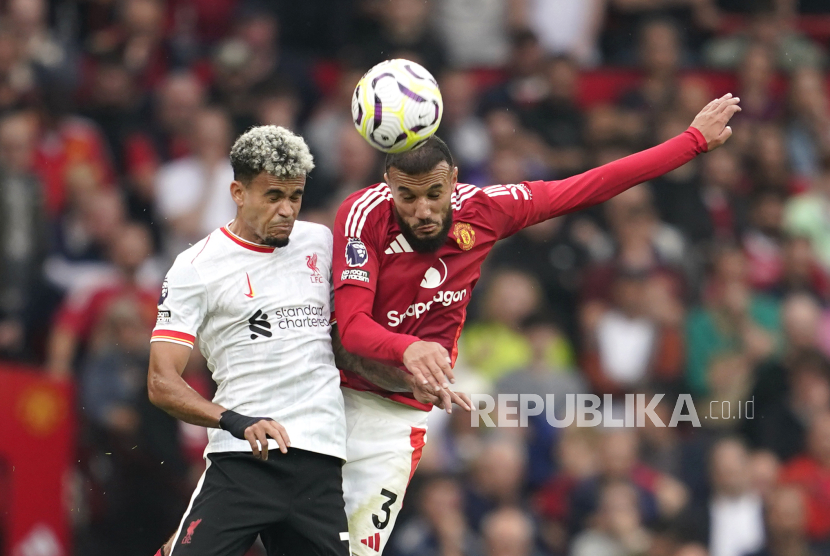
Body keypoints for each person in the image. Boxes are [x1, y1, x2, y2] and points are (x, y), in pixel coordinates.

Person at [332, 93, 742, 555]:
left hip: (403, 411)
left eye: (434, 194)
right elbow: (351, 327)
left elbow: (594, 184)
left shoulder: (487, 207)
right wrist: (407, 348)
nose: (423, 210)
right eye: (407, 196)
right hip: (341, 393)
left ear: (455, 182)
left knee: (359, 549)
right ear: (389, 185)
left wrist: (690, 142)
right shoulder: (363, 214)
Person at [148, 125, 441, 556]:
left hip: (319, 464)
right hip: (244, 459)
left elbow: (345, 345)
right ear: (238, 191)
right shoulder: (196, 267)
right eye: (273, 197)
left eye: (295, 196)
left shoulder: (320, 243)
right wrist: (236, 421)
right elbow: (161, 382)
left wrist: (399, 377)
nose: (287, 210)